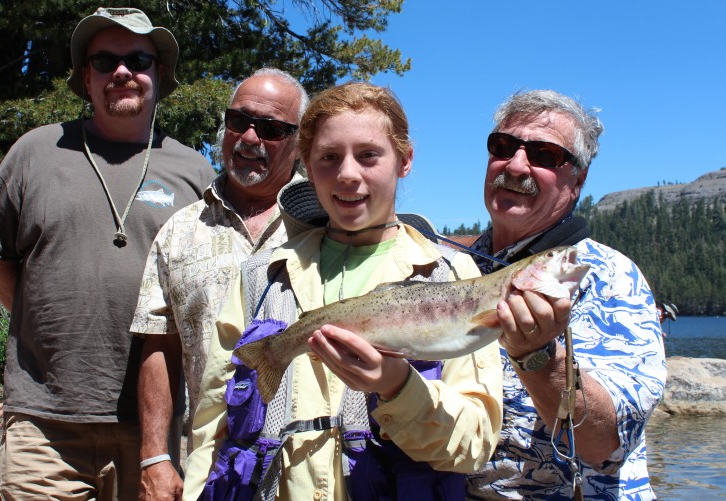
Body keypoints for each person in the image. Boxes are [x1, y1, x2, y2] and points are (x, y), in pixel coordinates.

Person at [185, 82, 503, 500]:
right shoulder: (261, 276)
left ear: (404, 160)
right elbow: (212, 424)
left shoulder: (451, 275)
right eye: (329, 158)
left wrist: (398, 387)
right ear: (306, 164)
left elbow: (474, 446)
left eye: (369, 155)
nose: (348, 173)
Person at [0, 7, 215, 500]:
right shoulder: (36, 152)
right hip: (45, 422)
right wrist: (36, 321)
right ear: (86, 76)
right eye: (105, 60)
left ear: (158, 73)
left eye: (137, 59)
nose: (122, 71)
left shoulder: (194, 173)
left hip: (152, 436)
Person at [465, 90, 667, 499]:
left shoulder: (609, 276)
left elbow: (604, 445)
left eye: (545, 154)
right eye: (503, 147)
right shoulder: (456, 270)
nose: (516, 164)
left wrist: (539, 358)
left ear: (578, 180)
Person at [130, 68, 308, 500]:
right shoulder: (179, 231)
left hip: (313, 466)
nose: (249, 138)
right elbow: (159, 344)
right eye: (238, 121)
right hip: (212, 469)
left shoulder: (329, 224)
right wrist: (155, 457)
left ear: (300, 143)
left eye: (270, 129)